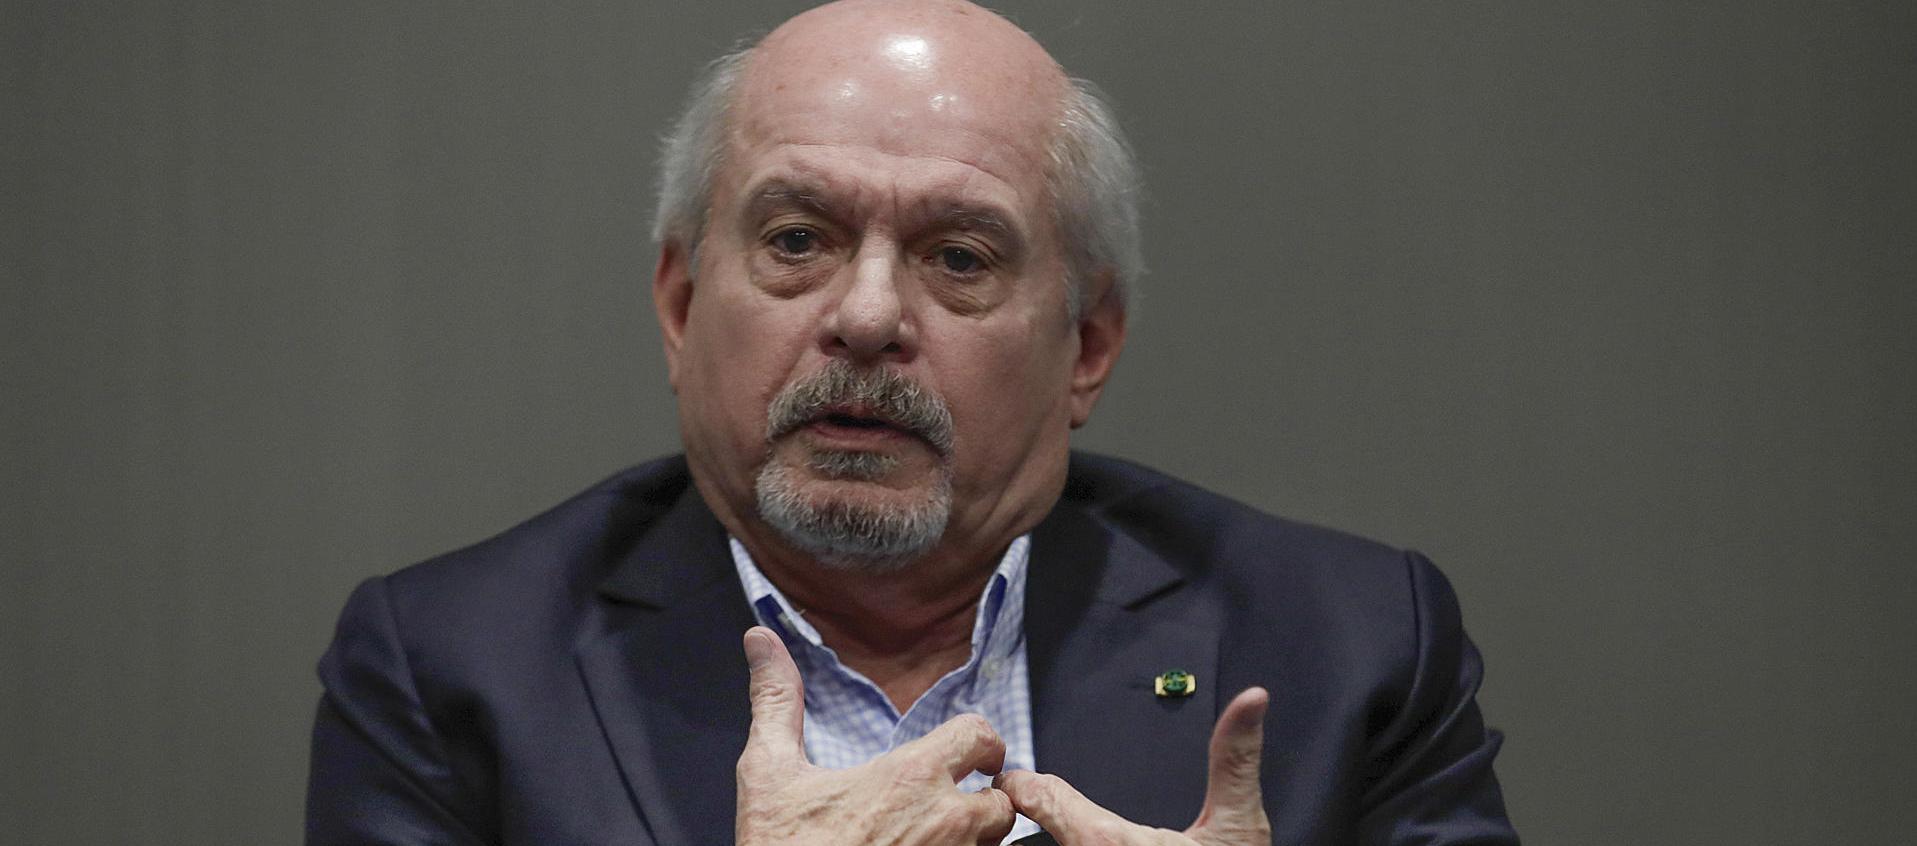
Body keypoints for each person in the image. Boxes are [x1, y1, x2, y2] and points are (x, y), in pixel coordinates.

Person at [306, 1, 1518, 844]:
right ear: (680, 305)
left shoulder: (1346, 651)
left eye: (958, 255)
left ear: (1085, 347)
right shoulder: (455, 671)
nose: (868, 315)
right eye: (796, 241)